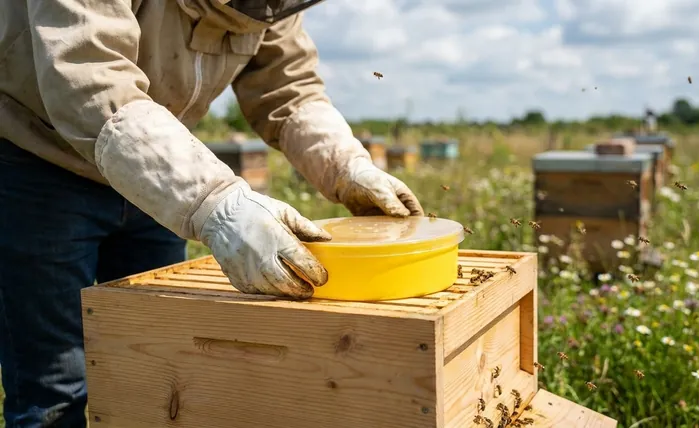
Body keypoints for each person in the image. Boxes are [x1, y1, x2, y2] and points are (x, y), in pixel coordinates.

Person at [0, 1, 424, 426]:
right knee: (53, 389)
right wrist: (214, 202)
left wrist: (346, 166)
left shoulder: (274, 6)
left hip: (160, 172)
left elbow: (289, 90)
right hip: (40, 160)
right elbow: (89, 76)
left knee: (158, 371)